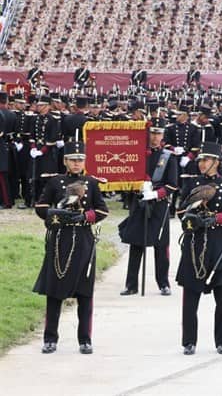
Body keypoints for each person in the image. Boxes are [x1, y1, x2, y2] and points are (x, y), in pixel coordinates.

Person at [33, 140, 109, 354]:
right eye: (73, 160)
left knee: (85, 293)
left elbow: (102, 210)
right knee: (54, 292)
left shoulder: (91, 183)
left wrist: (86, 216)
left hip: (84, 238)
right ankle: (50, 338)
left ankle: (85, 339)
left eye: (80, 160)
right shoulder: (55, 182)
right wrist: (57, 214)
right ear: (65, 161)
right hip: (60, 239)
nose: (77, 164)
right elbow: (40, 207)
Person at [176, 141, 222, 356]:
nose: (201, 163)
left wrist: (213, 219)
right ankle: (189, 341)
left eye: (206, 160)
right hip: (194, 243)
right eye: (200, 160)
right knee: (190, 296)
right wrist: (192, 218)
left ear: (217, 162)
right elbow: (179, 212)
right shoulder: (191, 182)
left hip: (218, 244)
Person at [118, 119, 178, 296]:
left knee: (161, 245)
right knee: (136, 244)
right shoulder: (137, 154)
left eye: (158, 133)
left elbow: (173, 185)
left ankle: (163, 283)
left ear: (163, 136)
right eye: (152, 133)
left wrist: (156, 194)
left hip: (158, 205)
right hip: (140, 202)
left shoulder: (168, 157)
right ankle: (131, 284)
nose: (155, 137)